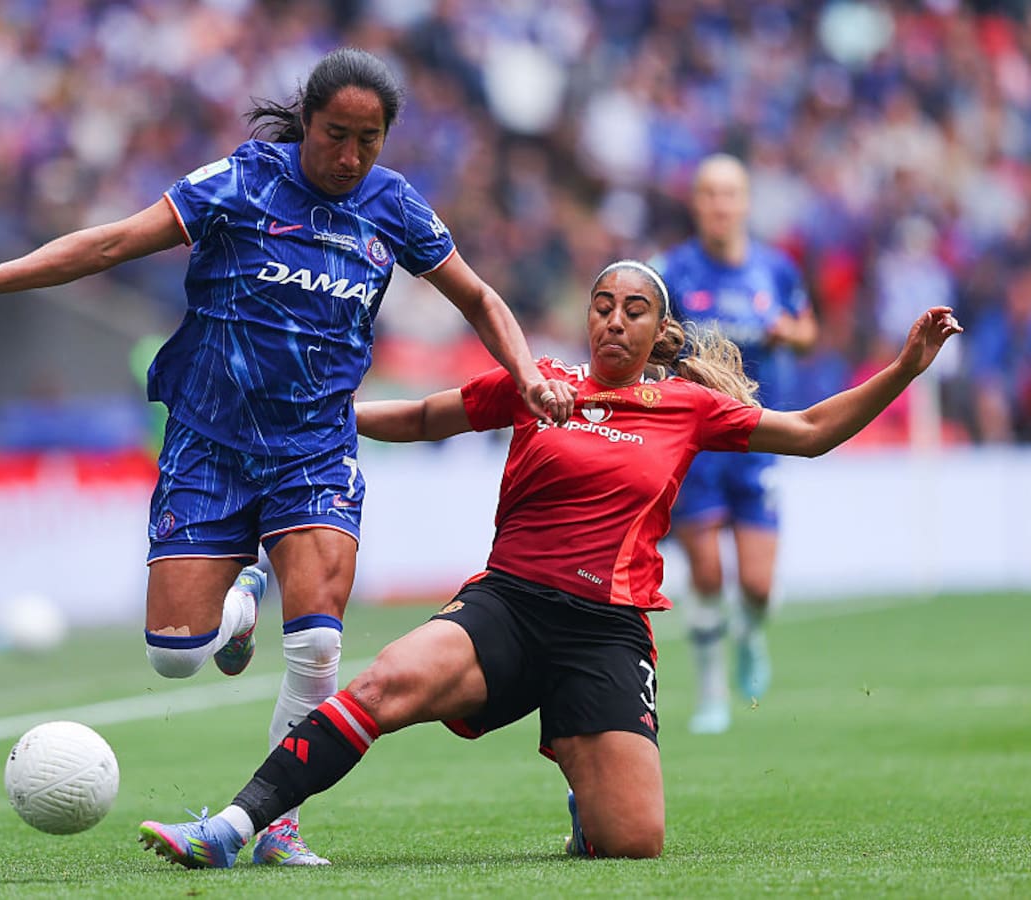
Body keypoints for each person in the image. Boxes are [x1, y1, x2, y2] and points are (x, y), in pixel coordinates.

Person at [0, 46, 575, 866]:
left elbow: (478, 296)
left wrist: (526, 373)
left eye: (369, 140)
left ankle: (277, 824)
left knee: (320, 645)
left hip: (315, 449)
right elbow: (115, 243)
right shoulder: (240, 182)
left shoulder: (393, 205)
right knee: (175, 654)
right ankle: (240, 605)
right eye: (337, 135)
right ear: (308, 122)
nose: (350, 157)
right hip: (209, 444)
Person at [135, 259, 961, 865]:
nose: (613, 320)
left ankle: (581, 769)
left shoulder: (687, 407)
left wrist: (904, 368)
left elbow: (812, 432)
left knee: (633, 843)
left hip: (608, 634)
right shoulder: (541, 383)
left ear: (659, 332)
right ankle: (232, 829)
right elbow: (426, 416)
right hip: (509, 607)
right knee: (383, 685)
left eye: (633, 310)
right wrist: (324, 419)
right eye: (602, 304)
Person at [648, 153, 819, 734]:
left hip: (758, 436)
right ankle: (711, 692)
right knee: (707, 574)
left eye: (730, 194)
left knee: (757, 585)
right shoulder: (671, 271)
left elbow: (807, 330)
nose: (720, 205)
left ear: (744, 203)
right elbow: (650, 336)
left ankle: (750, 636)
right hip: (697, 443)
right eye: (709, 194)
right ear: (696, 203)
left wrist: (788, 332)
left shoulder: (776, 269)